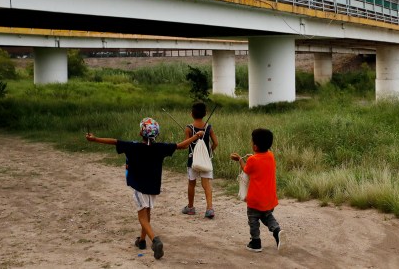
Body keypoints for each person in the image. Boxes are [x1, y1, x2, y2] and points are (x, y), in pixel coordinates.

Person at [86, 117, 204, 260]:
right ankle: (142, 241)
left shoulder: (133, 146)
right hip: (153, 187)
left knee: (142, 217)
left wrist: (95, 139)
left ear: (141, 133)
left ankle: (155, 240)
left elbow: (114, 141)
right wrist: (196, 136)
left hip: (139, 187)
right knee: (147, 213)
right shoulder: (161, 148)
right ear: (157, 134)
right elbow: (181, 145)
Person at [230, 128, 284, 253]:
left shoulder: (252, 160)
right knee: (267, 216)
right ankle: (277, 231)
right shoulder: (270, 156)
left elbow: (246, 169)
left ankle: (256, 242)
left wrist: (240, 159)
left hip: (255, 199)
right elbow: (260, 162)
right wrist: (252, 156)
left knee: (253, 219)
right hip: (269, 197)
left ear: (255, 146)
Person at [181, 101, 219, 219]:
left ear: (192, 113)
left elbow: (186, 145)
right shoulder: (209, 127)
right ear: (205, 113)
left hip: (192, 160)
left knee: (191, 183)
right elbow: (216, 143)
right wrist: (209, 153)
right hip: (205, 160)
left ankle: (191, 208)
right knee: (206, 184)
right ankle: (209, 208)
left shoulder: (188, 128)